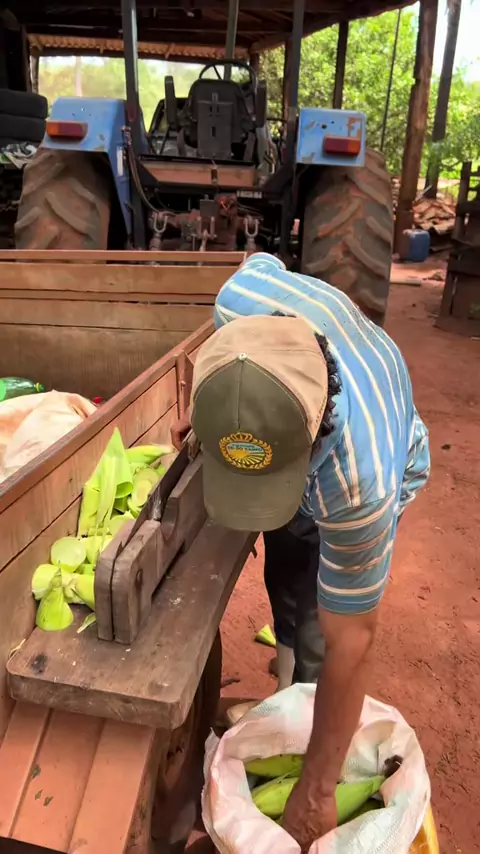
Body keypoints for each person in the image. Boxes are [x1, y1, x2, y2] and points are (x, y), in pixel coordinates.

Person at [171, 253, 430, 851]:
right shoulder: (238, 301)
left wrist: (315, 792)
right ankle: (286, 686)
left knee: (324, 623)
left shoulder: (360, 487)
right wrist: (207, 414)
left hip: (380, 446)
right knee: (285, 571)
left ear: (311, 442)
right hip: (305, 438)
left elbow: (354, 642)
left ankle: (306, 708)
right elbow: (261, 265)